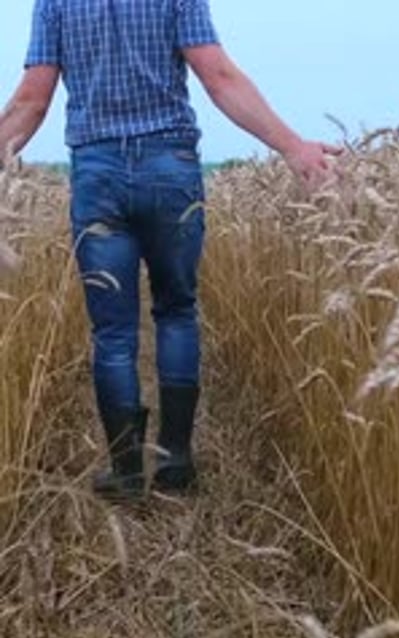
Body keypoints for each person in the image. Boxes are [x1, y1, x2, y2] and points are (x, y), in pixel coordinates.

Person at [0, 0, 339, 501]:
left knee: (113, 332)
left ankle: (127, 471)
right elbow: (218, 75)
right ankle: (176, 461)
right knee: (177, 311)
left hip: (98, 175)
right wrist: (292, 146)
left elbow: (32, 100)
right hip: (171, 167)